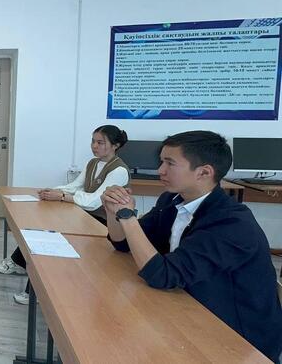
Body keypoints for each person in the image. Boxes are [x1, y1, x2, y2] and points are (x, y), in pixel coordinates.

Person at [102, 131, 282, 362]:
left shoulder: (230, 223)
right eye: (161, 162)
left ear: (204, 172)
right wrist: (113, 209)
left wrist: (127, 216)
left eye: (170, 163)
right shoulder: (172, 200)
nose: (160, 170)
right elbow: (124, 243)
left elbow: (162, 275)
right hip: (188, 307)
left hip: (238, 341)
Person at [0, 125, 130, 304]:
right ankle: (21, 265)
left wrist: (63, 197)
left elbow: (94, 201)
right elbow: (75, 186)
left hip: (103, 223)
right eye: (93, 141)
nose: (94, 146)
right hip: (84, 215)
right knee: (43, 227)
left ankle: (36, 291)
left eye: (100, 142)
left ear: (115, 145)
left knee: (52, 237)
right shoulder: (93, 163)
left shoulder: (119, 171)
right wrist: (53, 191)